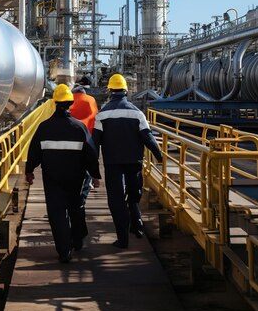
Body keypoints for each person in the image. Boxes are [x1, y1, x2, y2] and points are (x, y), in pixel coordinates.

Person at [25, 84, 101, 263]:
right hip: (76, 177)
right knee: (75, 207)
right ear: (70, 104)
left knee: (57, 213)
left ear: (54, 103)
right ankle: (78, 239)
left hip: (52, 178)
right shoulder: (79, 127)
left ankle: (64, 251)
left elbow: (34, 151)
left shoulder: (44, 127)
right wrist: (95, 174)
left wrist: (29, 170)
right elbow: (90, 153)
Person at [92, 73, 162, 249]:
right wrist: (159, 156)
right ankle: (137, 224)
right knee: (133, 193)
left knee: (116, 200)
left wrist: (92, 169)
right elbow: (148, 138)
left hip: (113, 164)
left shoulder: (102, 115)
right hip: (134, 162)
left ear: (110, 91)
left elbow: (94, 144)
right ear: (126, 91)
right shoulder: (137, 113)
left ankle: (122, 239)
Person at [69, 76, 99, 205]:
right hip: (87, 138)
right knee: (86, 168)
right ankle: (82, 199)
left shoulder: (69, 100)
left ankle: (69, 199)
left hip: (69, 139)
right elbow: (95, 118)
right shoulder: (90, 100)